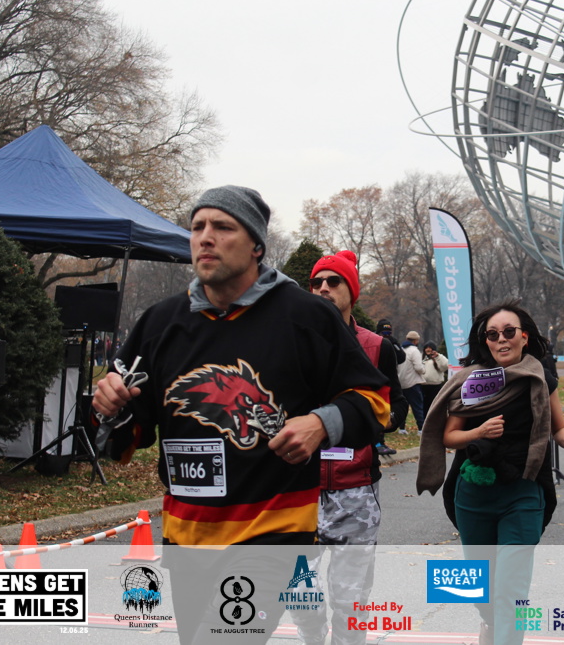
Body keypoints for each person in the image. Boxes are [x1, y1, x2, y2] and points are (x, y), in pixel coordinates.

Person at [92, 186, 388, 643]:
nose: (205, 237)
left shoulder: (306, 316)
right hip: (187, 538)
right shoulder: (160, 323)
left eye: (223, 227)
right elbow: (127, 439)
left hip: (272, 534)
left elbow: (376, 400)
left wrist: (320, 423)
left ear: (256, 246)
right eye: (197, 227)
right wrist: (109, 408)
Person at [417, 300, 564, 645]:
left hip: (523, 491)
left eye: (509, 332)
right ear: (486, 341)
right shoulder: (472, 380)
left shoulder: (542, 378)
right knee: (482, 588)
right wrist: (479, 432)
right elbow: (449, 436)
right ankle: (490, 623)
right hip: (473, 494)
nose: (501, 339)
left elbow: (558, 429)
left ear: (524, 337)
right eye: (493, 334)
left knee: (512, 586)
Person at [293, 250, 399, 645]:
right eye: (316, 282)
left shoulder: (377, 346)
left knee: (350, 599)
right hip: (298, 490)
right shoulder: (291, 343)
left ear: (351, 291)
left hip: (354, 489)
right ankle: (312, 635)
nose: (323, 288)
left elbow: (394, 407)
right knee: (298, 593)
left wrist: (360, 424)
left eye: (333, 281)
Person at [398, 330, 426, 433]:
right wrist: (424, 369)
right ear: (415, 341)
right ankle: (421, 429)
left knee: (402, 407)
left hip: (401, 383)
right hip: (413, 383)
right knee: (417, 407)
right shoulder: (414, 351)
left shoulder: (400, 349)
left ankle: (401, 428)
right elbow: (418, 367)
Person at [421, 341, 450, 407]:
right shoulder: (422, 359)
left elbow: (446, 365)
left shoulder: (438, 358)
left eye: (429, 348)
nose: (428, 349)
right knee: (425, 405)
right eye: (426, 348)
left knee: (434, 405)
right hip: (423, 386)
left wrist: (438, 356)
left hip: (435, 386)